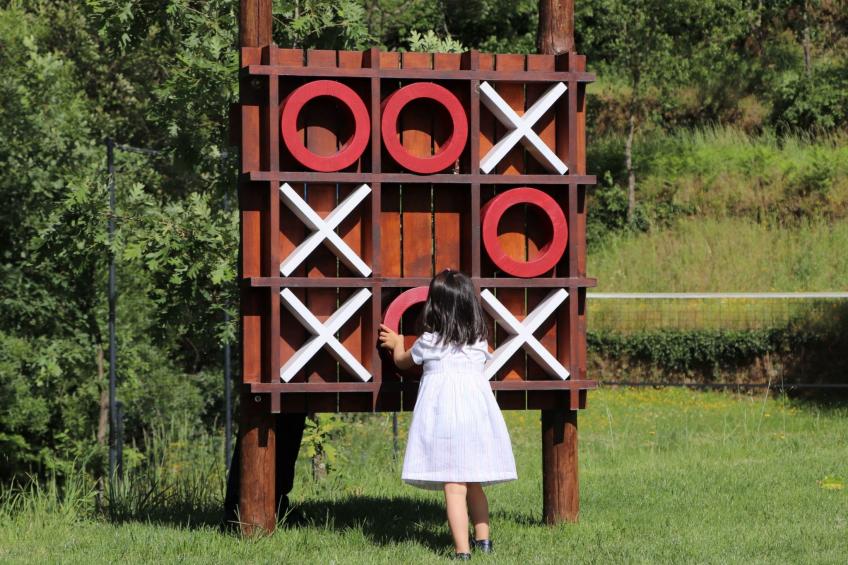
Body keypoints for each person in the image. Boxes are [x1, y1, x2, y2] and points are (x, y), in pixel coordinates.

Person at [378, 269, 517, 560]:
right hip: (476, 417)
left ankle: (461, 551)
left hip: (445, 419)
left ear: (434, 306)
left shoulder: (429, 341)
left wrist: (397, 342)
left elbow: (403, 363)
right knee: (474, 482)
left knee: (454, 486)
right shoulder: (477, 342)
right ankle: (484, 542)